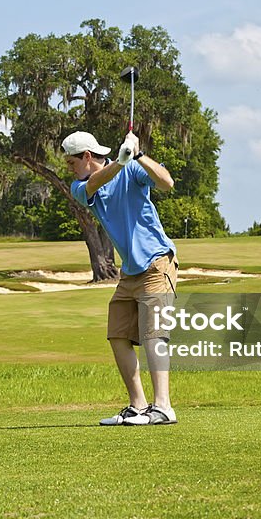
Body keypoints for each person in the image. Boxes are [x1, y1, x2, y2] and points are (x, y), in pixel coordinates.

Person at [62, 129, 179, 426]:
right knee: (118, 333)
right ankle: (138, 406)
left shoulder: (132, 171)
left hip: (156, 262)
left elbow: (167, 183)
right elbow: (93, 183)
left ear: (87, 157)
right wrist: (120, 162)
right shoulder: (81, 186)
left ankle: (163, 406)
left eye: (71, 162)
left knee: (154, 334)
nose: (69, 168)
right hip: (129, 273)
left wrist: (138, 156)